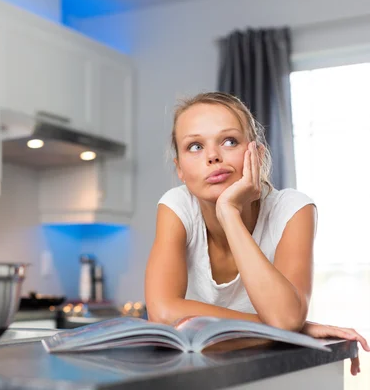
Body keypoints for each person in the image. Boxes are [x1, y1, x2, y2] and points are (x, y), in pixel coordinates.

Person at [145, 92, 369, 375]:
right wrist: (293, 328)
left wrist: (229, 212)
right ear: (179, 169)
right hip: (193, 372)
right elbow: (163, 313)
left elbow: (285, 317)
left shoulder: (293, 208)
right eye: (195, 146)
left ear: (257, 155)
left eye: (229, 141)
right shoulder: (176, 206)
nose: (213, 156)